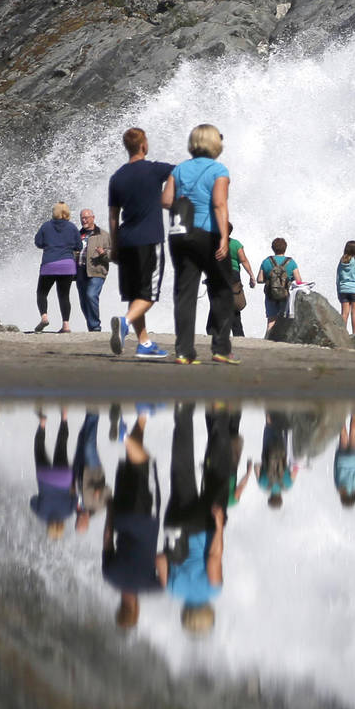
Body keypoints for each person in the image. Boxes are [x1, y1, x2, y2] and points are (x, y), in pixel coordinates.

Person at [167, 124, 238, 364]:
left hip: (180, 234)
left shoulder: (179, 169)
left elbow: (166, 200)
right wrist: (224, 238)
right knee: (222, 290)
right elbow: (219, 203)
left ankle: (184, 352)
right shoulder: (218, 169)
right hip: (207, 234)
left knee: (185, 293)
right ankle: (220, 349)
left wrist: (184, 198)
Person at [164, 404, 235, 637]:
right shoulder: (173, 591)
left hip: (204, 524)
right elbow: (159, 559)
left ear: (208, 614)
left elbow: (214, 559)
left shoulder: (213, 591)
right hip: (177, 526)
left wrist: (219, 527)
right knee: (182, 469)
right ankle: (184, 412)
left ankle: (217, 413)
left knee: (219, 474)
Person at [106, 127, 175, 359]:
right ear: (144, 145)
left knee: (136, 294)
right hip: (149, 239)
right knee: (148, 295)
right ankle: (124, 323)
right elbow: (183, 172)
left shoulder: (117, 177)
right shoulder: (156, 170)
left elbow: (113, 216)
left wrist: (113, 246)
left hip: (125, 241)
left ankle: (144, 343)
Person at [102, 411, 164, 628]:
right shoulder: (109, 577)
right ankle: (142, 417)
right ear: (119, 607)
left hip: (147, 521)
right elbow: (108, 538)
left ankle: (125, 437)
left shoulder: (153, 587)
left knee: (144, 464)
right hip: (121, 518)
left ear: (136, 610)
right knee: (133, 465)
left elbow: (162, 560)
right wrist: (110, 507)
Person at [32, 202, 80, 332]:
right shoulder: (72, 227)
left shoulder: (46, 226)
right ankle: (66, 325)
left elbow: (38, 242)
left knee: (42, 293)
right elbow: (79, 246)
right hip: (67, 265)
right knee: (64, 296)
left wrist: (50, 245)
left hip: (49, 264)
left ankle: (44, 317)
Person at [30, 410, 75, 539]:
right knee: (39, 448)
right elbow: (32, 499)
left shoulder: (68, 512)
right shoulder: (41, 514)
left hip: (63, 477)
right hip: (45, 477)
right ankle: (42, 423)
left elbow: (75, 496)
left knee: (61, 446)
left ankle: (65, 416)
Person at [76, 208, 111, 334]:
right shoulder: (78, 234)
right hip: (80, 272)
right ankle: (92, 328)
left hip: (97, 271)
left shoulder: (104, 235)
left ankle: (95, 327)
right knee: (84, 301)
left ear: (93, 218)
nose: (83, 220)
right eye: (82, 218)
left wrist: (104, 253)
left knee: (91, 295)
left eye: (86, 218)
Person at [72, 404, 107, 530]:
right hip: (93, 470)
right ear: (87, 523)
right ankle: (94, 413)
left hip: (78, 469)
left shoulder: (74, 507)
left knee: (82, 438)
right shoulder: (98, 508)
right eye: (82, 522)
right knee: (88, 446)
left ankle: (90, 414)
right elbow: (108, 492)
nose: (80, 519)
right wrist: (98, 490)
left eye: (78, 521)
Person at [258, 238, 299, 336]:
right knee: (284, 321)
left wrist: (270, 280)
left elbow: (259, 279)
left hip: (270, 295)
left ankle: (267, 342)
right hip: (285, 295)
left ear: (273, 248)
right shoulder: (291, 262)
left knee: (271, 321)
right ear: (285, 248)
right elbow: (298, 280)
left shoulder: (266, 261)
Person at [257, 409, 298, 508]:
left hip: (282, 451)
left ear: (281, 498)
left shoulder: (287, 485)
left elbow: (295, 469)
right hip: (268, 451)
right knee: (269, 425)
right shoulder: (263, 485)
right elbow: (257, 466)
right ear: (269, 498)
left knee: (282, 428)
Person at [225, 223, 256, 337]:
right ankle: (238, 334)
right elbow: (244, 260)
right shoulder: (236, 244)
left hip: (218, 274)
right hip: (233, 275)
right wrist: (251, 275)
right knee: (234, 304)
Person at [333, 409, 355, 506]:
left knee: (353, 431)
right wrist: (337, 454)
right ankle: (338, 409)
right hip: (342, 460)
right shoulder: (339, 487)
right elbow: (335, 470)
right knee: (343, 433)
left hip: (354, 459)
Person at [335, 241, 355, 334]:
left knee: (344, 313)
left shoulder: (341, 263)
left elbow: (338, 278)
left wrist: (338, 291)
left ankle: (342, 334)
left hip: (344, 289)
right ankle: (354, 334)